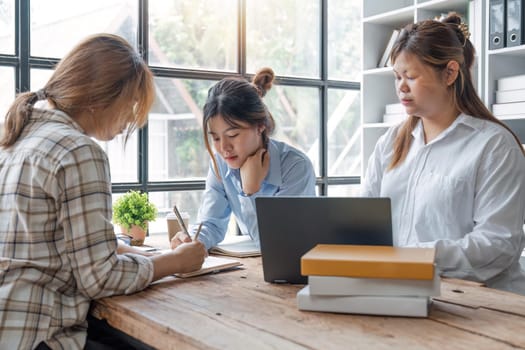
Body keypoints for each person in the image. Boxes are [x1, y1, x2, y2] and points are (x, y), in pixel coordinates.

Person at [0, 34, 206, 350]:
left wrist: (152, 254)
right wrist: (176, 263)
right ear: (99, 99)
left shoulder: (17, 140)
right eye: (132, 104)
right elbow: (100, 278)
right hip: (41, 335)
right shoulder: (78, 150)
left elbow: (62, 245)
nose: (131, 120)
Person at [362, 13, 525, 295]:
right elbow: (363, 217)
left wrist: (414, 256)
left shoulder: (494, 146)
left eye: (411, 76)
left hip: (484, 304)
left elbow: (498, 244)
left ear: (450, 73)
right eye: (397, 76)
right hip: (403, 290)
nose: (400, 87)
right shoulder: (390, 142)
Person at [170, 68, 316, 251]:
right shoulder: (221, 164)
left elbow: (277, 242)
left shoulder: (296, 167)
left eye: (233, 135)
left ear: (260, 126)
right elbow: (211, 224)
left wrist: (250, 192)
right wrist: (192, 239)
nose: (224, 148)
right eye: (215, 138)